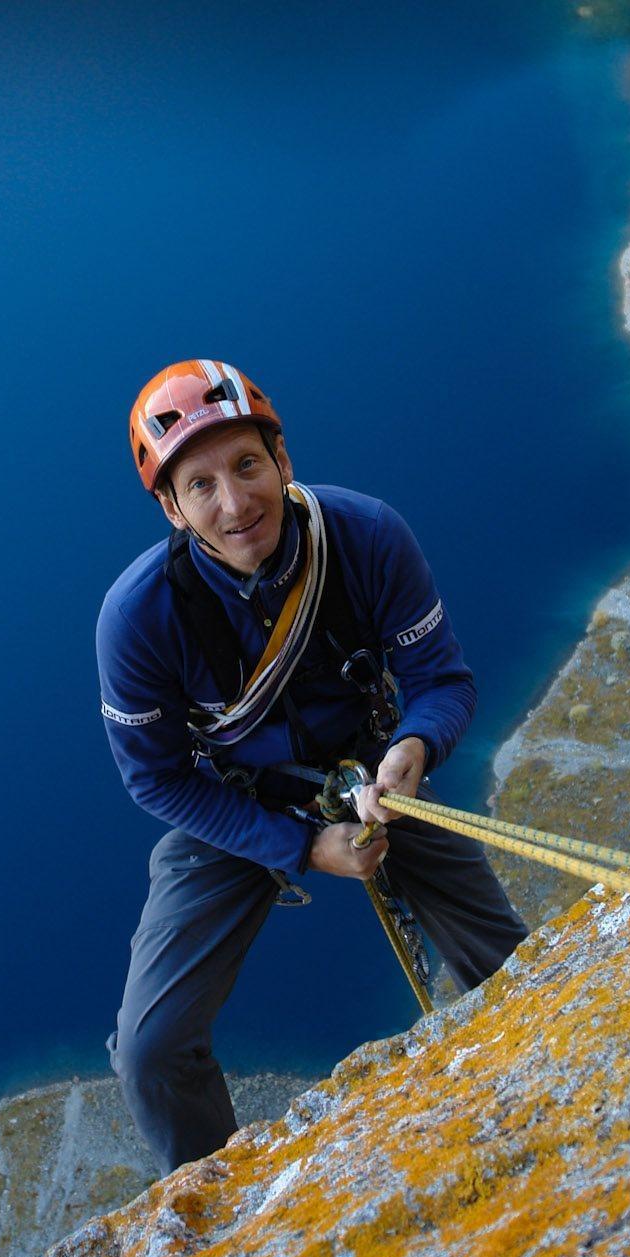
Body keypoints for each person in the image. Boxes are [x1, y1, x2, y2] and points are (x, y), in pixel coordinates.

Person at [95, 358, 529, 1174]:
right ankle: (220, 1209)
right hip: (237, 811)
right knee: (151, 1050)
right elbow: (155, 775)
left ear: (283, 458)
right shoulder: (139, 618)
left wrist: (412, 749)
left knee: (510, 965)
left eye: (248, 465)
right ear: (170, 508)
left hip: (375, 784)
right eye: (201, 485)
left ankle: (552, 1088)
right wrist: (299, 848)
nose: (235, 503)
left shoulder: (364, 536)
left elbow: (439, 680)